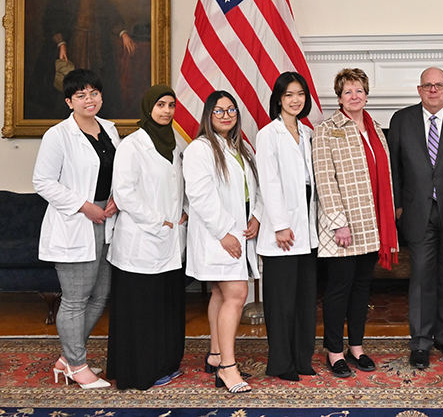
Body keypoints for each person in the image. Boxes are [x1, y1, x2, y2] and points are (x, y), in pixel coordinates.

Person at [388, 67, 443, 369]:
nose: (433, 90)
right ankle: (421, 342)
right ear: (419, 89)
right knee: (422, 277)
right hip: (417, 213)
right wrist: (399, 206)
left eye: (438, 85)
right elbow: (395, 170)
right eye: (427, 86)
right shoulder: (402, 120)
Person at [33, 68, 118, 389]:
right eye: (80, 95)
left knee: (100, 295)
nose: (89, 100)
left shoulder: (109, 129)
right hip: (76, 221)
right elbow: (42, 182)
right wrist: (85, 206)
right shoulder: (58, 135)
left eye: (93, 93)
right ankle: (77, 364)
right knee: (75, 298)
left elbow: (116, 174)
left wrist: (114, 200)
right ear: (69, 101)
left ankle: (68, 358)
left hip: (108, 221)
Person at [313, 68, 398, 378]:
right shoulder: (326, 130)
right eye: (348, 91)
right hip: (343, 228)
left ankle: (356, 347)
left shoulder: (375, 128)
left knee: (362, 288)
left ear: (366, 94)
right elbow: (325, 179)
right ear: (339, 97)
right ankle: (334, 350)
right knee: (339, 289)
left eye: (359, 90)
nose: (354, 96)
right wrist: (338, 223)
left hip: (370, 224)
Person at [106, 85, 186, 390]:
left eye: (171, 105)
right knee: (142, 312)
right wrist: (158, 221)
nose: (166, 111)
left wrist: (184, 213)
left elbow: (182, 184)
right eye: (160, 105)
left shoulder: (176, 143)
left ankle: (165, 364)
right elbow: (124, 193)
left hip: (169, 242)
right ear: (148, 107)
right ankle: (138, 373)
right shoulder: (133, 144)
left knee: (164, 308)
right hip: (140, 242)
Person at [184, 90, 261, 394]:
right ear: (208, 115)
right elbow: (200, 196)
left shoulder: (241, 147)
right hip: (217, 234)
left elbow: (254, 190)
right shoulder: (200, 149)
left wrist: (256, 215)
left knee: (220, 291)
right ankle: (228, 367)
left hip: (240, 229)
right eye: (219, 111)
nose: (226, 115)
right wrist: (223, 233)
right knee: (237, 293)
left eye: (231, 110)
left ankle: (216, 354)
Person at [256, 72, 319, 382]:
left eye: (300, 94)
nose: (296, 100)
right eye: (289, 94)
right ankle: (281, 363)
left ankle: (302, 359)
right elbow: (268, 182)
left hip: (307, 230)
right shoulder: (268, 133)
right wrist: (280, 225)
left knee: (305, 300)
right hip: (283, 231)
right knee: (281, 303)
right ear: (278, 99)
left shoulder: (308, 133)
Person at [31, 0, 137, 120]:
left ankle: (93, 113)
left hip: (96, 45)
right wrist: (61, 43)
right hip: (75, 43)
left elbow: (110, 15)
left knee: (96, 78)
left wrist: (123, 33)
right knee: (72, 79)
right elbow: (53, 19)